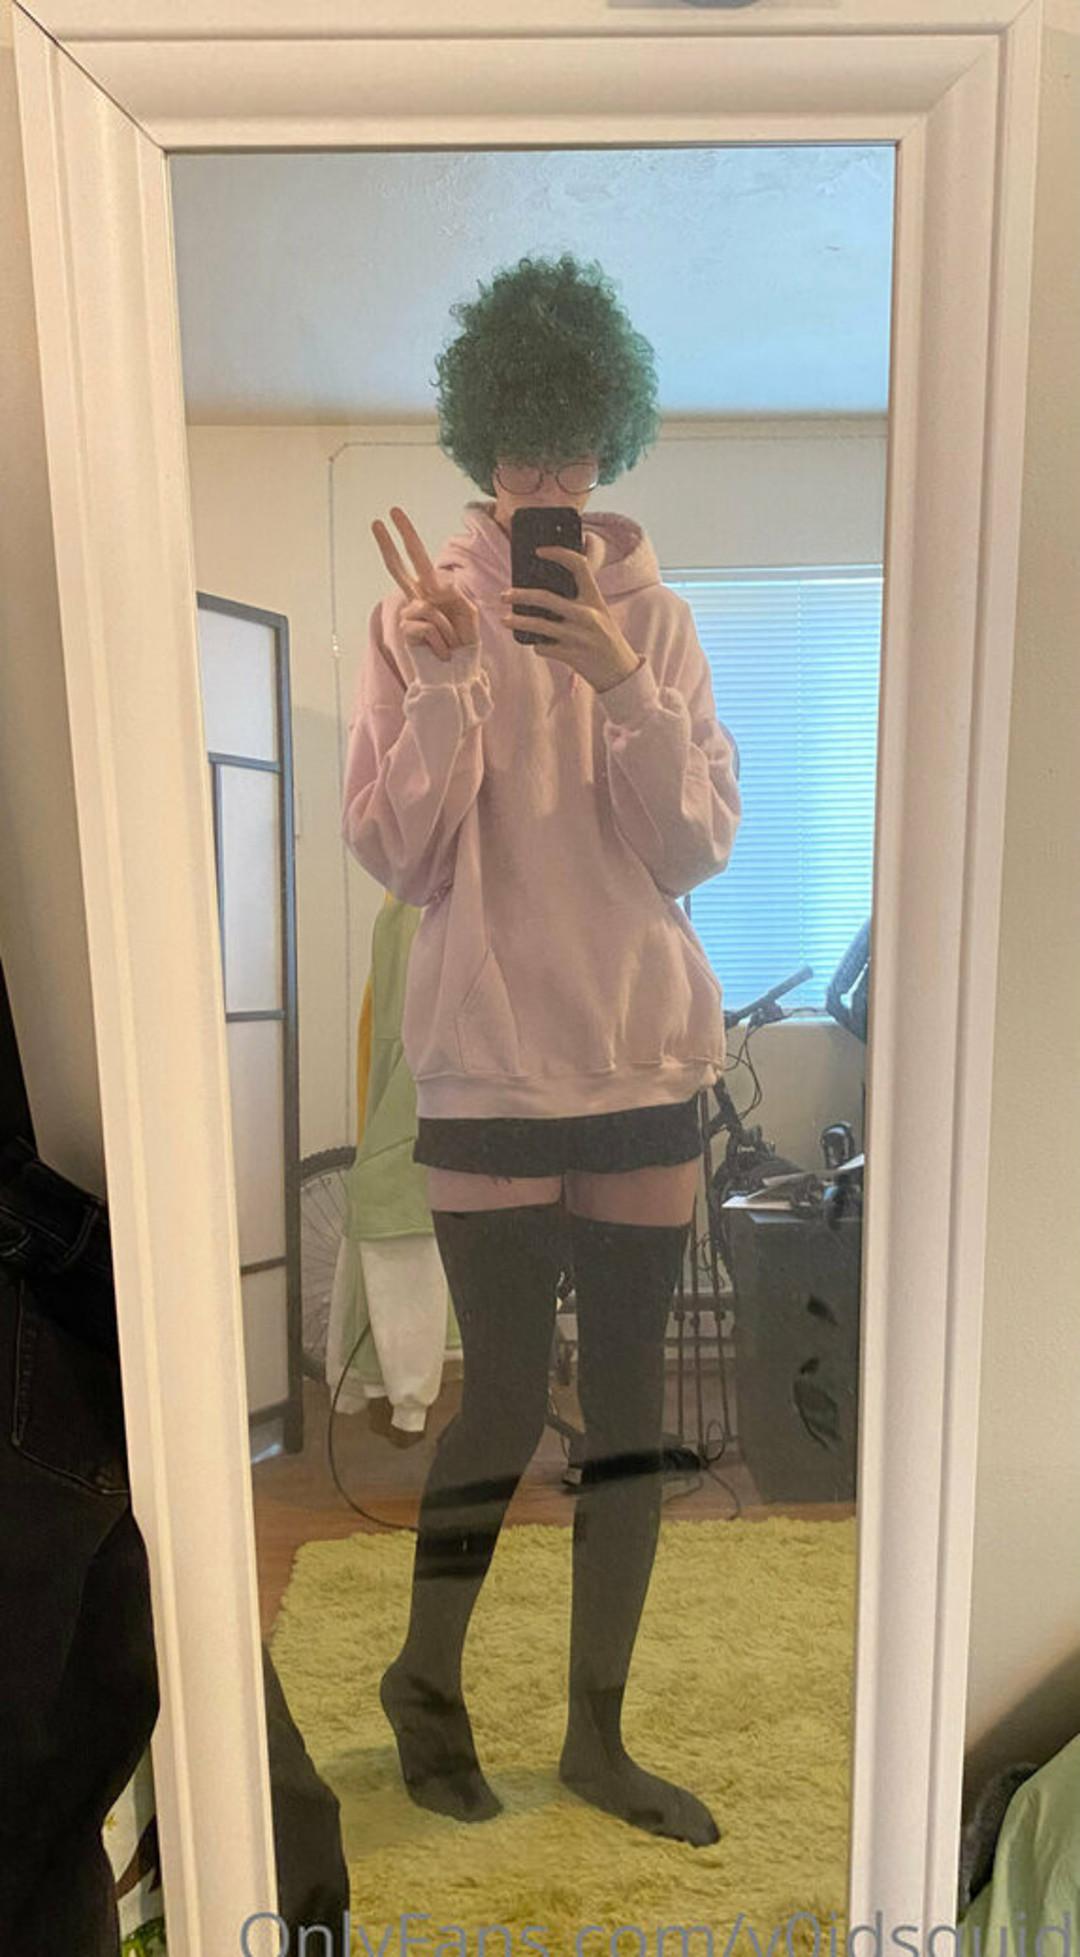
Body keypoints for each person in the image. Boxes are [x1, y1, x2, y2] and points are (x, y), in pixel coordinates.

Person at [341, 252, 741, 1848]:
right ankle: (423, 1688)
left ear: (610, 443)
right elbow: (402, 857)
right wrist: (446, 684)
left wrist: (622, 682)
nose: (548, 485)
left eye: (573, 450)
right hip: (490, 1064)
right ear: (481, 446)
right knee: (501, 1401)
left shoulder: (666, 629)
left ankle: (596, 1736)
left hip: (645, 1058)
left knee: (628, 1414)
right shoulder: (417, 620)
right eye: (521, 451)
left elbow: (694, 846)